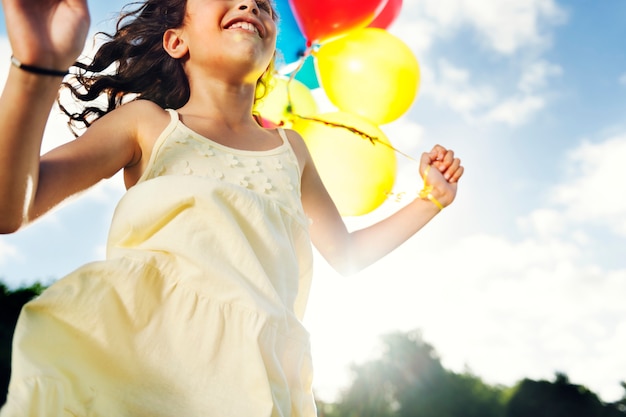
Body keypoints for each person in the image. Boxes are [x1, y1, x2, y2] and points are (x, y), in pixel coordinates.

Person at [0, 0, 464, 415]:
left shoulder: (292, 149)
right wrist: (37, 69)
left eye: (264, 5)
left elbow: (346, 255)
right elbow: (9, 209)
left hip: (258, 378)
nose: (251, 4)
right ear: (176, 40)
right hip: (139, 363)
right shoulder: (148, 124)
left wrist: (431, 200)